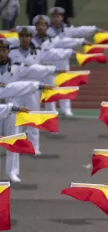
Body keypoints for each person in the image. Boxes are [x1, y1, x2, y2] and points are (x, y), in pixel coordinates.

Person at [8, 26, 73, 158]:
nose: (24, 38)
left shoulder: (38, 51)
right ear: (19, 37)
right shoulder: (11, 51)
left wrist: (66, 56)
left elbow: (52, 55)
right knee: (16, 118)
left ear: (31, 38)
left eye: (27, 36)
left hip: (32, 88)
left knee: (33, 116)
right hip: (16, 87)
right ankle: (17, 145)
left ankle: (34, 146)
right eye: (22, 36)